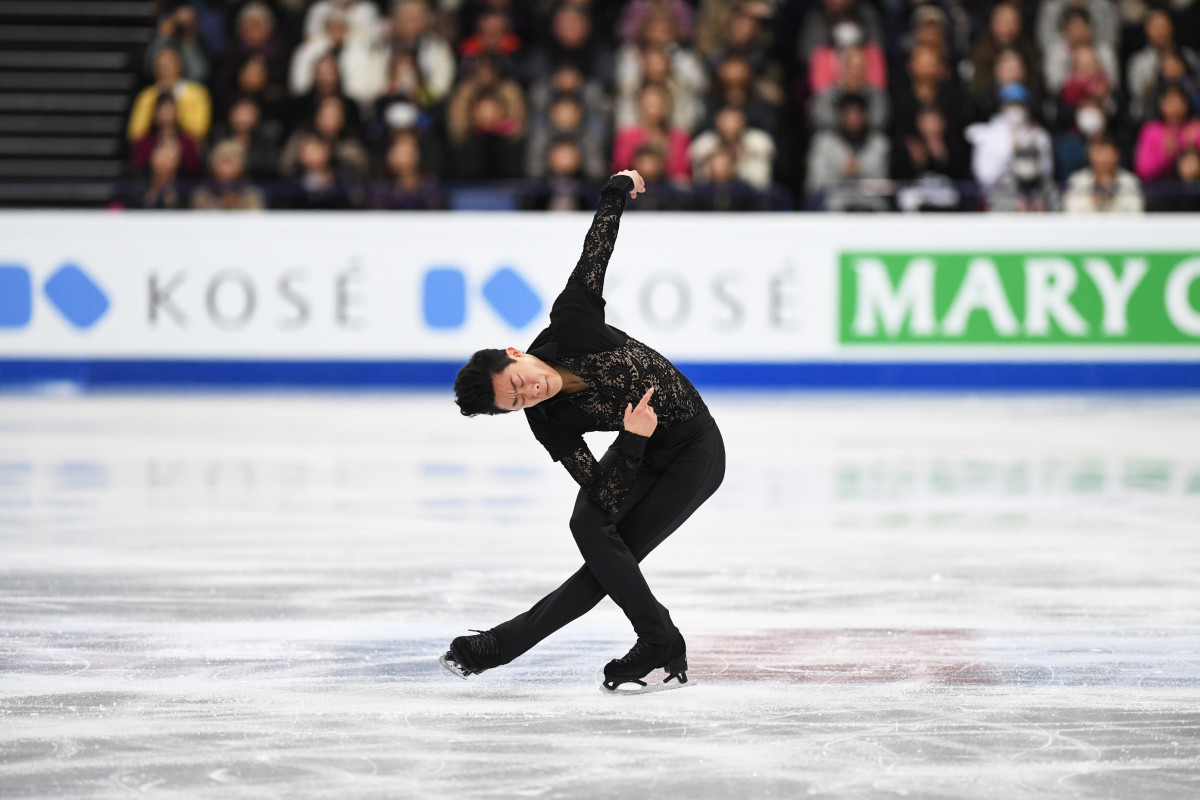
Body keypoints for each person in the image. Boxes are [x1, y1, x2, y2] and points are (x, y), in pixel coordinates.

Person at [445, 169, 725, 692]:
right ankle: (659, 641)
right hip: (640, 447)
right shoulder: (547, 421)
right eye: (514, 404)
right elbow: (602, 490)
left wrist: (616, 190)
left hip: (695, 448)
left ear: (515, 353)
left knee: (606, 560)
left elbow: (595, 252)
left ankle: (650, 643)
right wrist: (635, 439)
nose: (528, 394)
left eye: (519, 383)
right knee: (590, 527)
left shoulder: (572, 323)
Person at [1064, 135, 1144, 213]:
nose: (1102, 159)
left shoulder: (1129, 181)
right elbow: (1070, 211)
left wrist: (1112, 200)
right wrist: (1093, 201)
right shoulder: (1078, 180)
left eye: (1106, 153)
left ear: (1116, 155)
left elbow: (1136, 210)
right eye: (1097, 153)